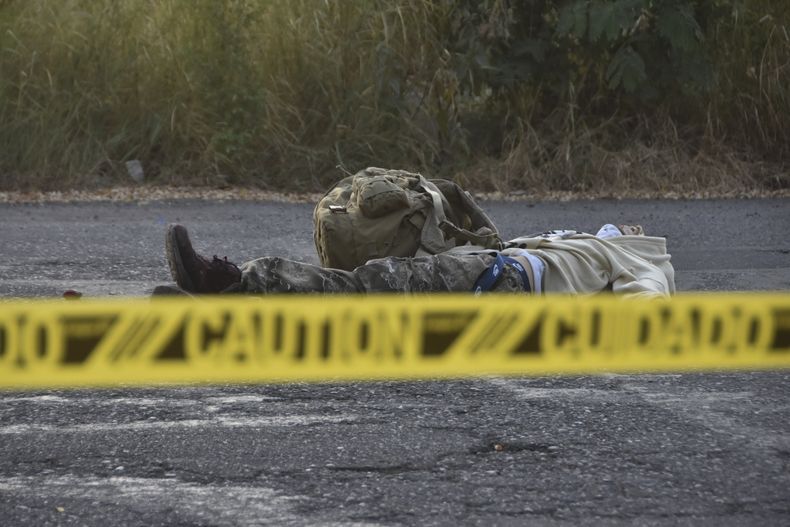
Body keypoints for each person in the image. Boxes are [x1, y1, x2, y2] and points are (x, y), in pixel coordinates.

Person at [160, 222, 675, 299]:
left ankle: (233, 280)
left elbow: (646, 304)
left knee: (369, 284)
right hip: (488, 269)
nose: (622, 226)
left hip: (498, 282)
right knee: (365, 297)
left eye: (630, 228)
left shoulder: (642, 258)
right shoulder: (582, 242)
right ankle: (234, 301)